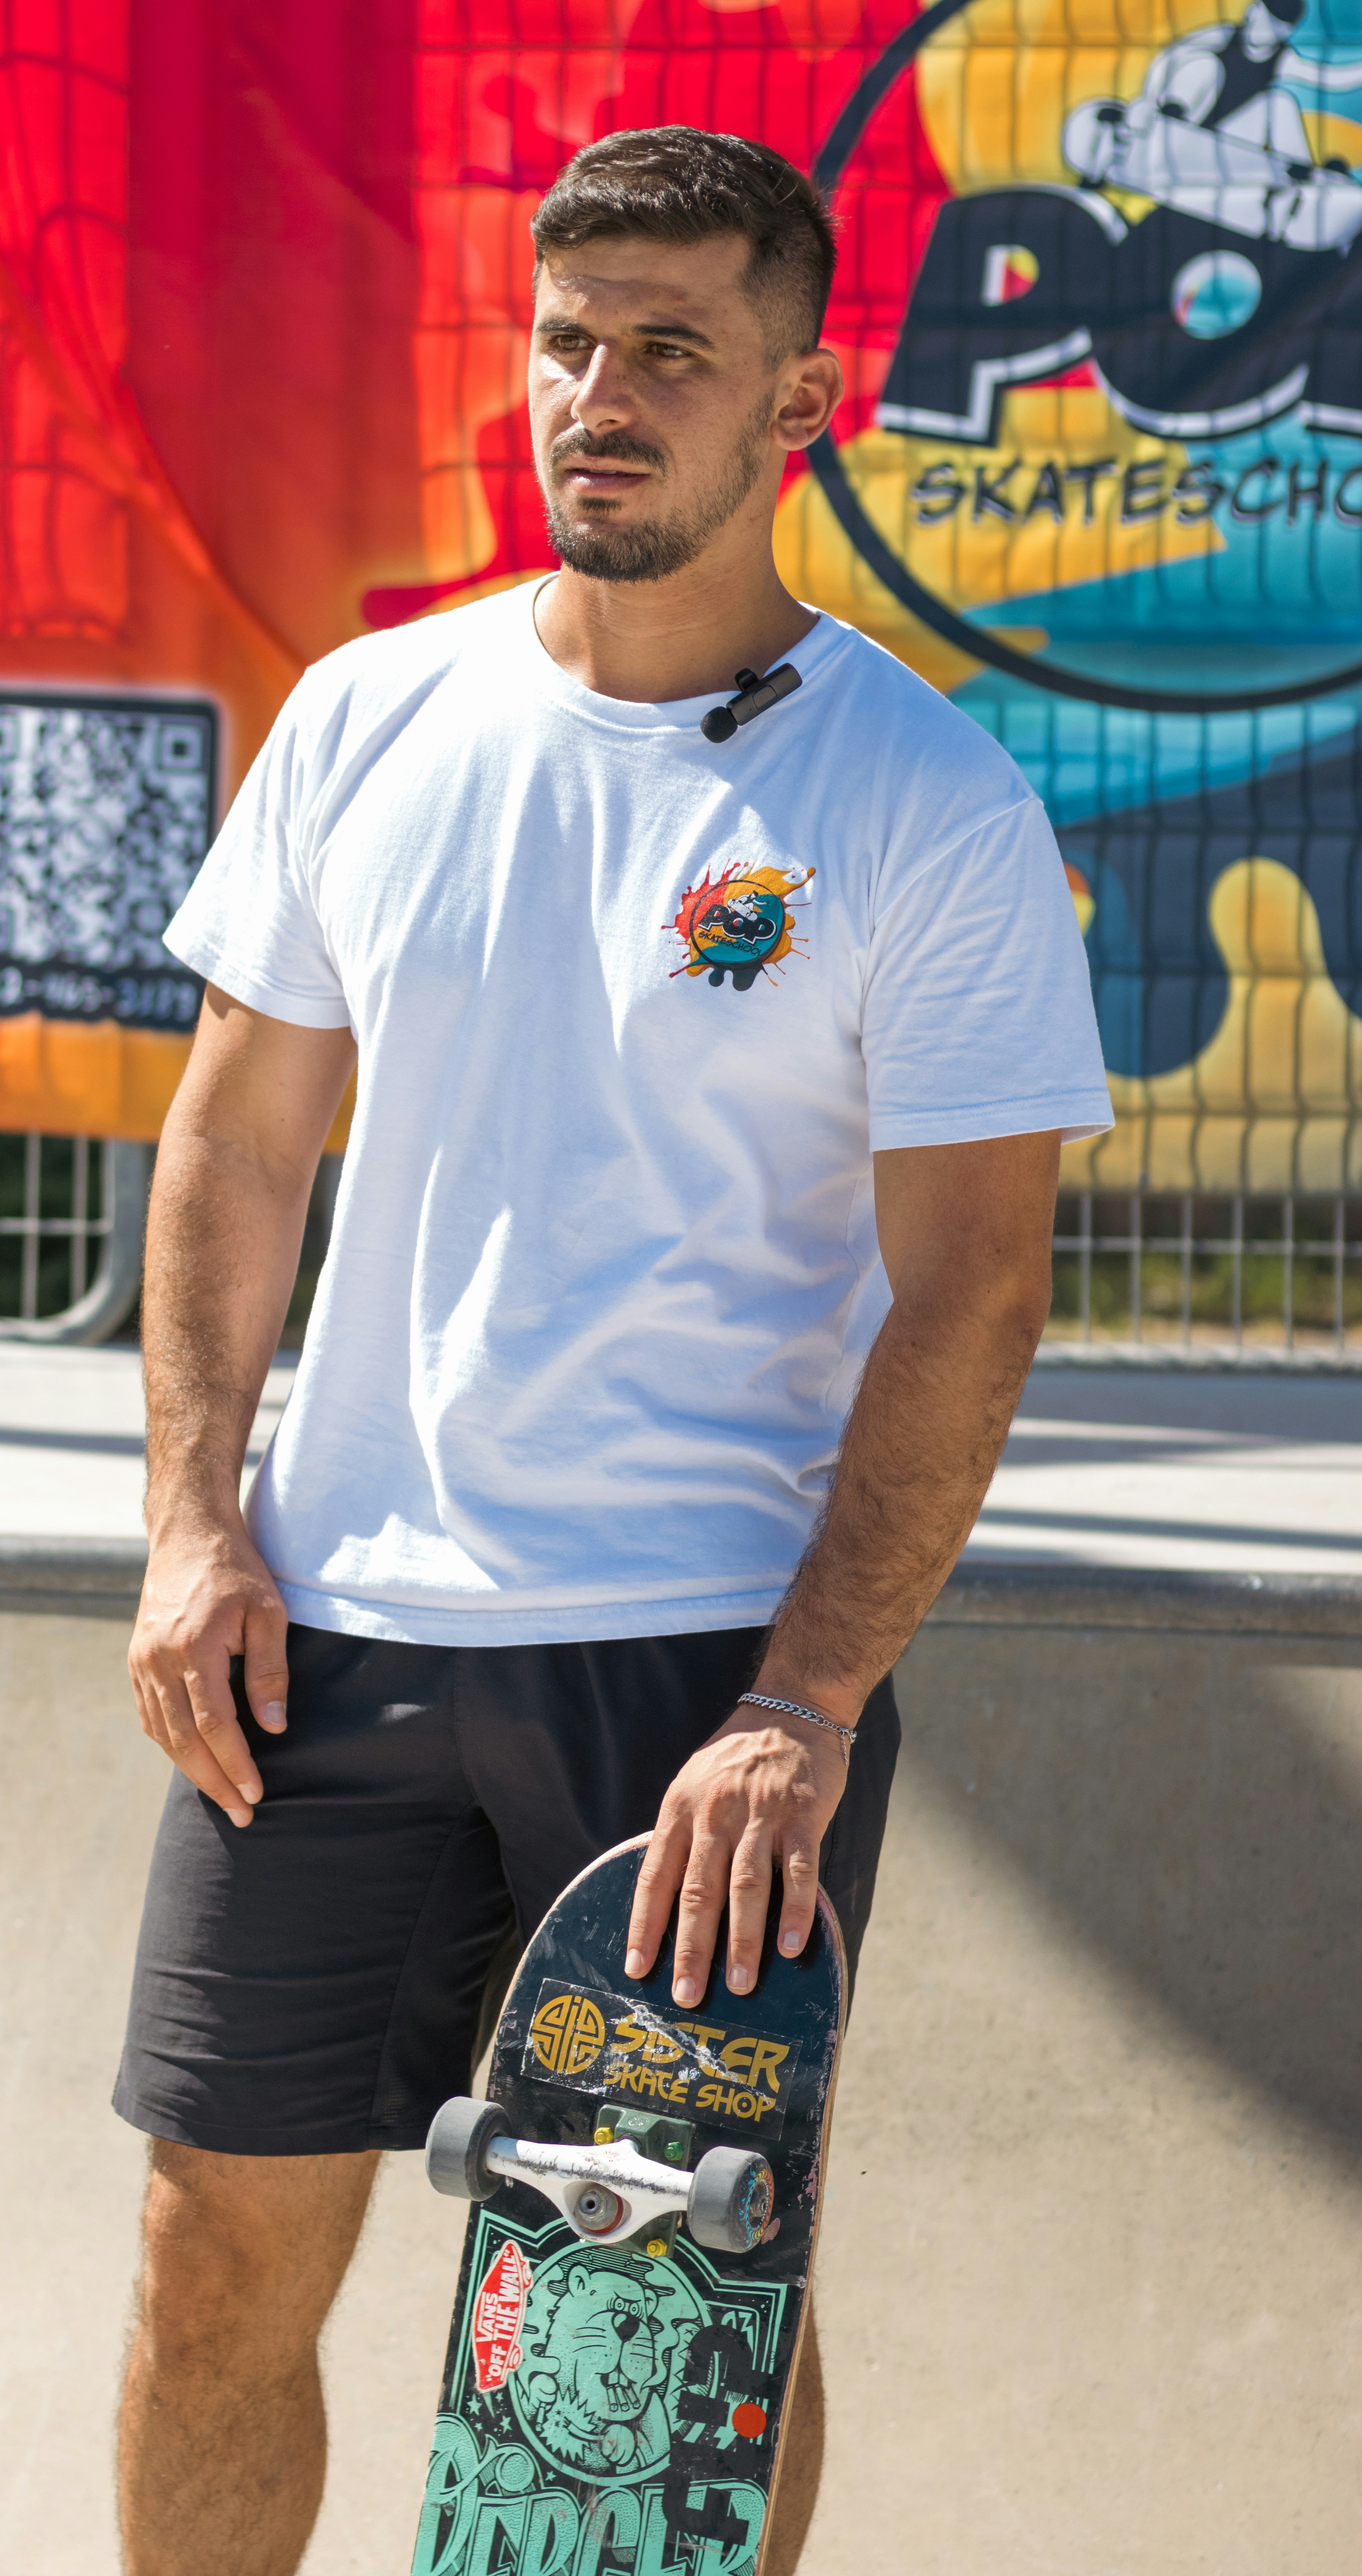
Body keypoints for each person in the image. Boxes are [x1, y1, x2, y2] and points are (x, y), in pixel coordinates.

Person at [113, 125, 1110, 2576]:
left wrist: (807, 1702)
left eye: (672, 345)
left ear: (803, 398)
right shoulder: (371, 715)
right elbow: (236, 1148)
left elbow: (976, 1289)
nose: (603, 392)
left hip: (691, 1683)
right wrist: (192, 1528)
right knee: (209, 2254)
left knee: (671, 2313)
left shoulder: (922, 800)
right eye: (569, 340)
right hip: (329, 1636)